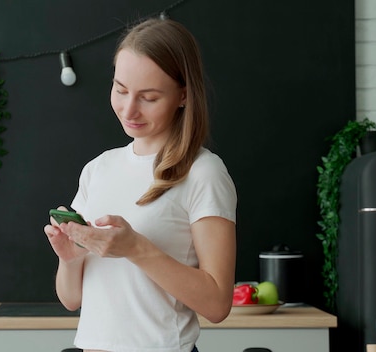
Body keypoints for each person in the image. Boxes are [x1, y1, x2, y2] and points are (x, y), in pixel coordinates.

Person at [44, 17, 237, 352]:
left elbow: (217, 304)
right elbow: (72, 299)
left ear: (183, 96)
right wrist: (70, 257)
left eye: (148, 97)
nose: (129, 109)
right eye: (120, 90)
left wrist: (136, 248)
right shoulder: (98, 169)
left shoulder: (203, 173)